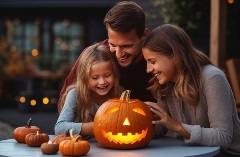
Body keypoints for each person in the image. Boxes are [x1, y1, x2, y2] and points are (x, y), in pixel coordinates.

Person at [142, 24, 240, 156]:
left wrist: (177, 126)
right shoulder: (166, 83)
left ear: (175, 56)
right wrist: (139, 121)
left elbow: (223, 137)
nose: (148, 69)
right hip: (191, 153)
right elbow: (161, 126)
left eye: (153, 62)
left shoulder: (212, 78)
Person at [58, 1, 155, 113]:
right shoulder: (94, 57)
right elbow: (64, 102)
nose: (118, 54)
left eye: (127, 46)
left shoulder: (155, 61)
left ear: (144, 35)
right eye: (112, 45)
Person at [55, 43, 124, 138]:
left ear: (114, 74)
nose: (102, 82)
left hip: (111, 148)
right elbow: (59, 128)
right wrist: (98, 126)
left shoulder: (120, 93)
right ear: (85, 78)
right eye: (95, 78)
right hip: (82, 148)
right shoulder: (75, 94)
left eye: (107, 75)